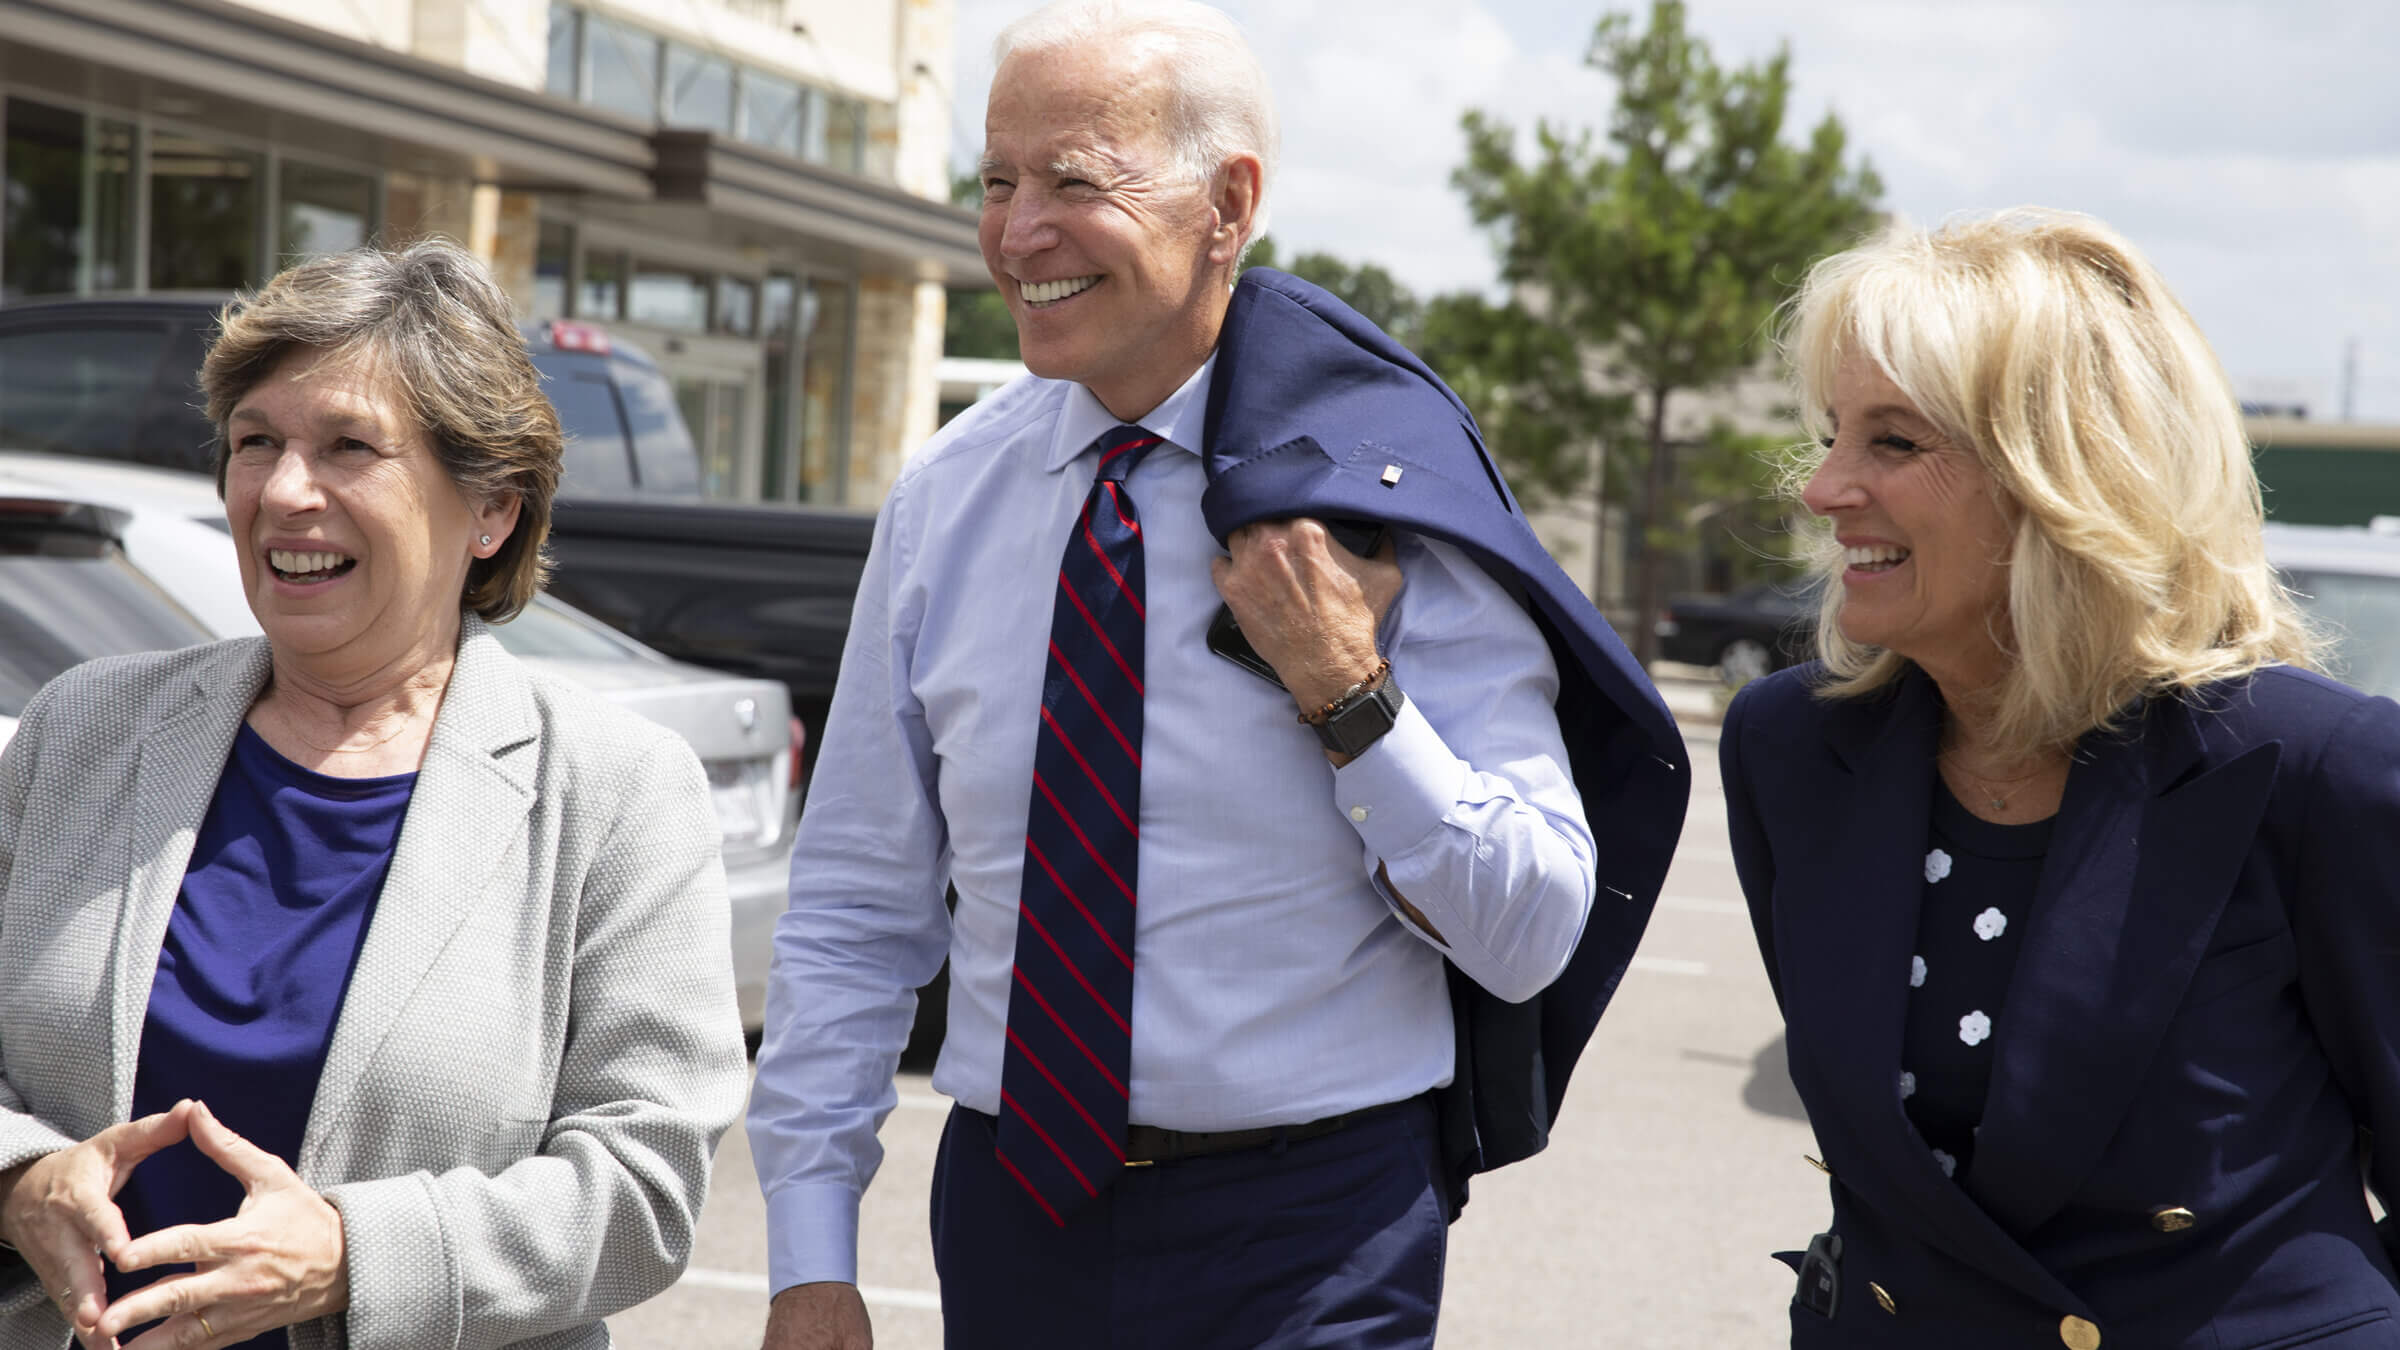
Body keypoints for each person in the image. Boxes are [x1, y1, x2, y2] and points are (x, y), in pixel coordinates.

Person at [747, 3, 1688, 1348]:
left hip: (1316, 1234)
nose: (1018, 235)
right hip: (1016, 1217)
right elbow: (855, 903)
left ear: (1228, 202)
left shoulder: (1389, 505)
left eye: (1075, 181)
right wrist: (807, 1252)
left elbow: (1533, 929)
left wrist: (1353, 696)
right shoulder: (944, 502)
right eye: (997, 182)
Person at [0, 240, 749, 1350]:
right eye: (257, 443)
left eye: (350, 447)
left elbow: (644, 1190)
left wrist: (353, 1256)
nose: (286, 492)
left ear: (490, 510)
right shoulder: (84, 729)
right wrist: (22, 1179)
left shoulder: (613, 793)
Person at [1721, 208, 2400, 1348]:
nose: (1823, 488)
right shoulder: (1790, 748)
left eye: (1892, 441)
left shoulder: (2314, 770)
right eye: (1833, 433)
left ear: (2064, 477)